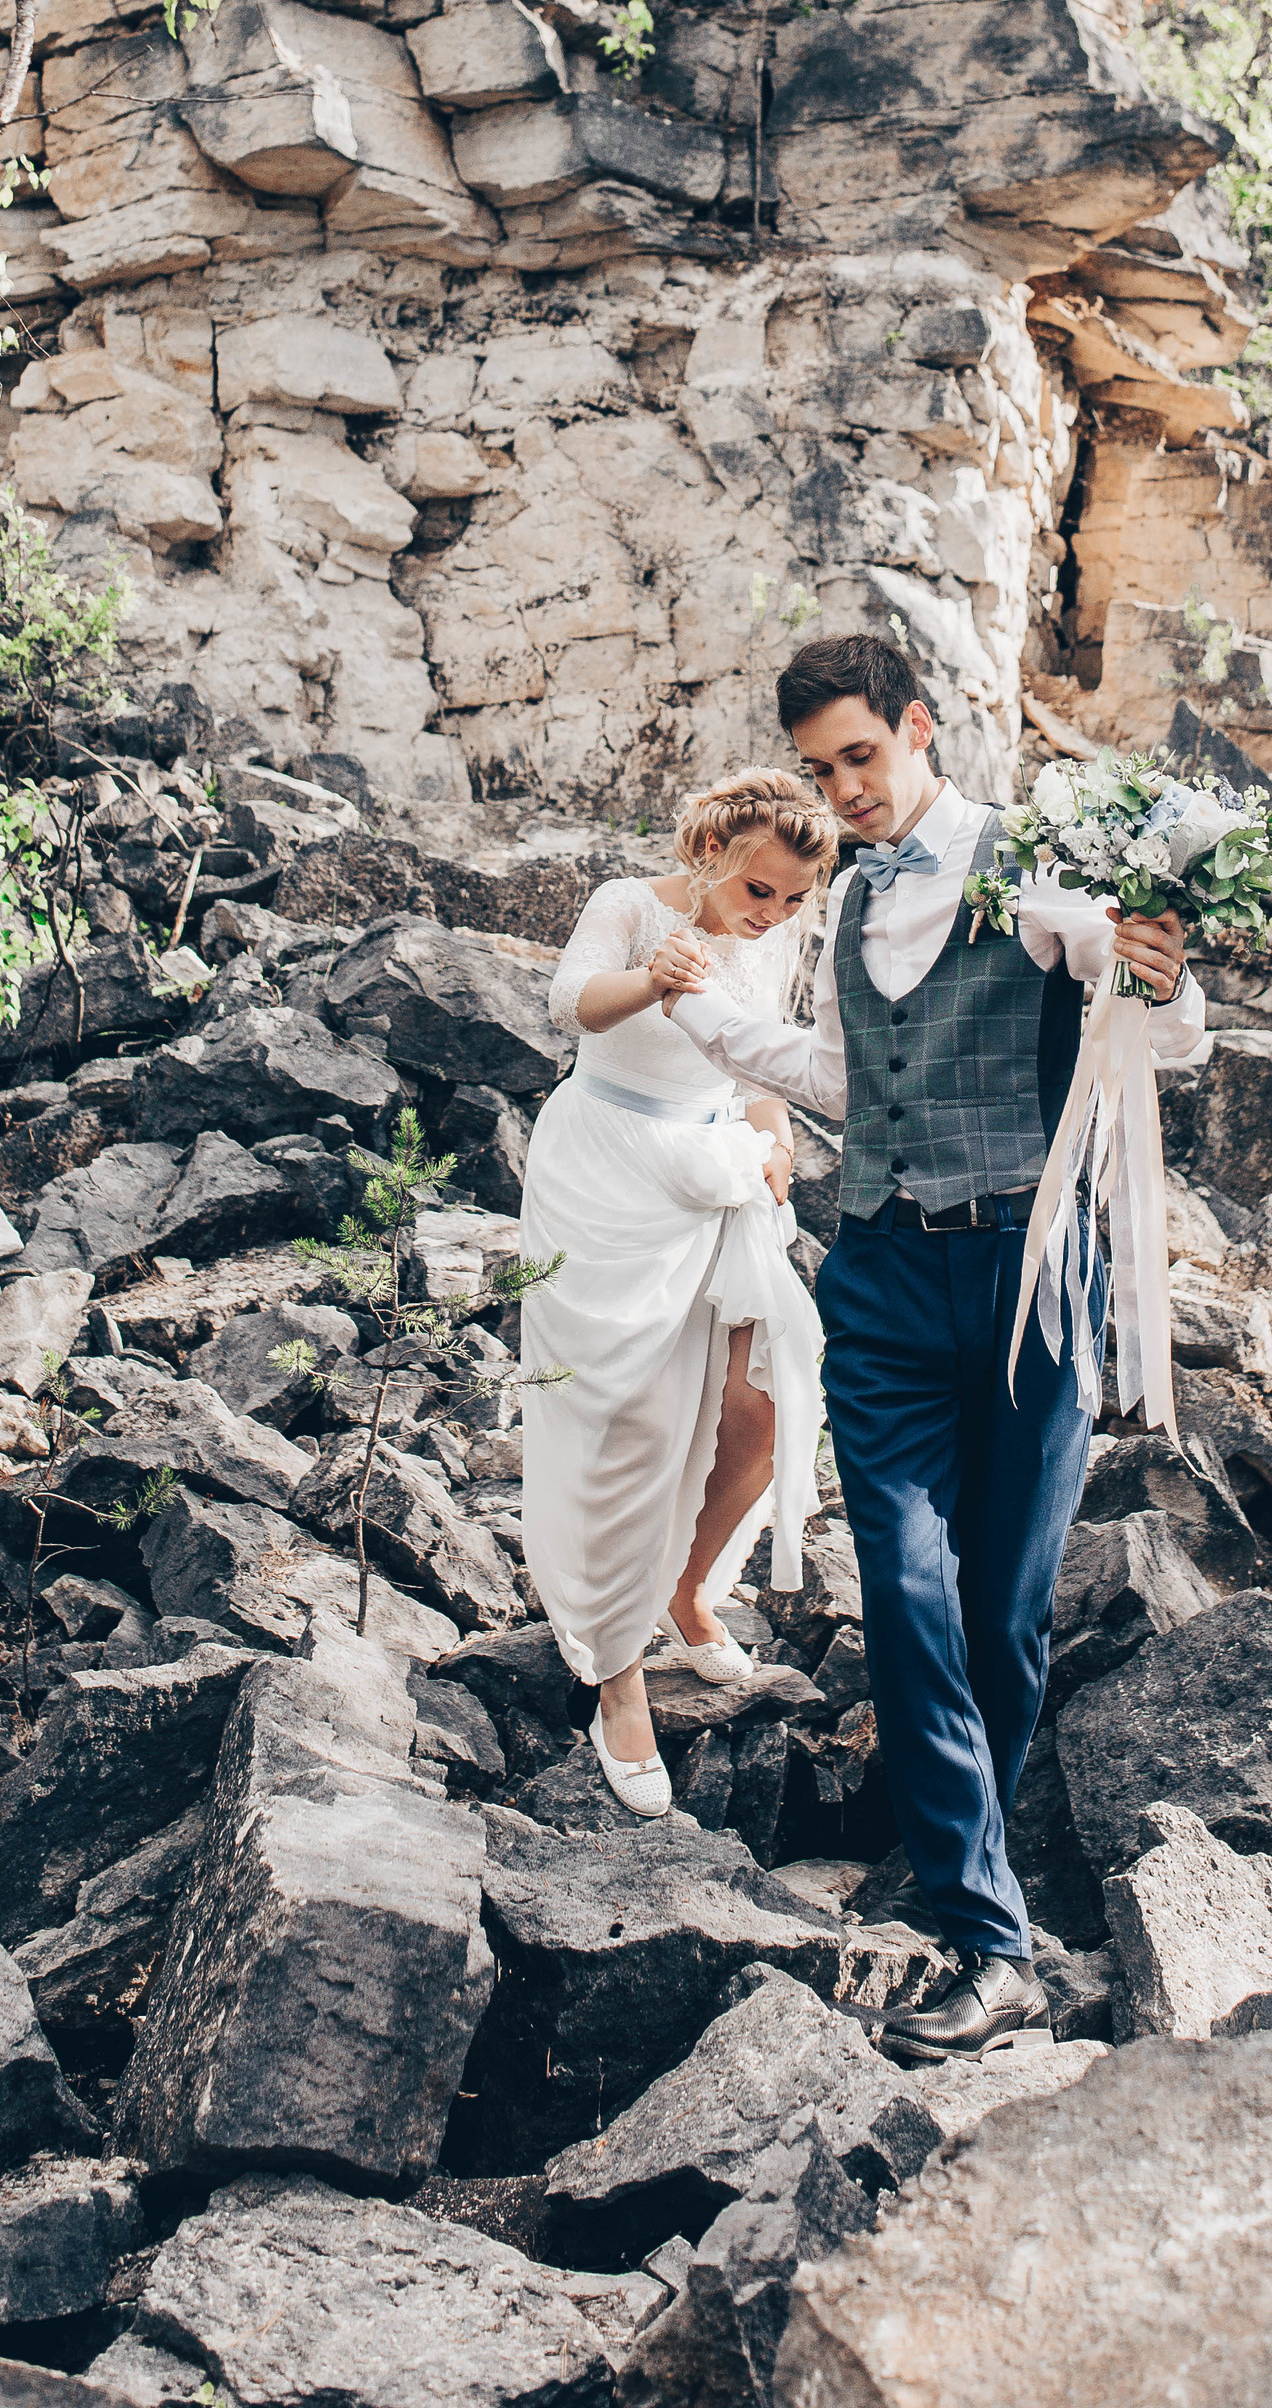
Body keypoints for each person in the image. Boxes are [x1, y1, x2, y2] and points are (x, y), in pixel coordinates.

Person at [661, 631, 1209, 2063]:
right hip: (888, 1275)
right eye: (820, 768)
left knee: (1003, 1617)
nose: (844, 789)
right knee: (902, 1586)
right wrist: (709, 1024)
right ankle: (989, 1939)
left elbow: (1151, 1008)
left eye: (861, 756)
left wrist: (1151, 967)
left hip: (1034, 1277)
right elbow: (851, 1075)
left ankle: (959, 1863)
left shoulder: (1034, 870)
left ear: (917, 729)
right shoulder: (842, 915)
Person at [519, 768, 837, 1817]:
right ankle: (615, 1671)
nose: (778, 914)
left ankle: (689, 1586)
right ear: (711, 855)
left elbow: (756, 1067)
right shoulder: (626, 906)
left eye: (797, 899)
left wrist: (775, 1131)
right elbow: (571, 1006)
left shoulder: (773, 940)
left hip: (714, 1175)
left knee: (768, 1400)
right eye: (763, 893)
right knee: (634, 1420)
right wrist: (656, 978)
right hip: (605, 1167)